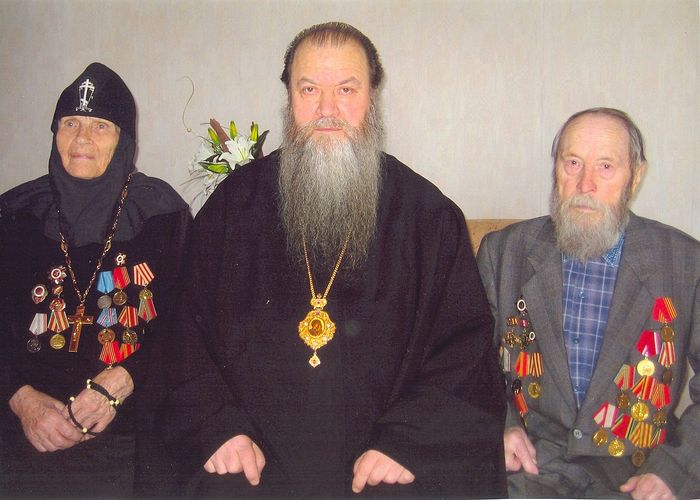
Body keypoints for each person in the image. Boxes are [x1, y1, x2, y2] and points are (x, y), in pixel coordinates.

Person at [161, 22, 506, 497]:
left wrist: (405, 442)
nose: (327, 110)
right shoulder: (232, 208)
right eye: (309, 90)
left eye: (346, 89)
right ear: (289, 98)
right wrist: (219, 426)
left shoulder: (427, 217)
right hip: (252, 457)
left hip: (382, 460)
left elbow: (464, 350)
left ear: (371, 97)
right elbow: (185, 333)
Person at [477, 107, 700, 499]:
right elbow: (467, 357)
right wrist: (502, 423)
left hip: (639, 469)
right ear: (556, 169)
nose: (586, 184)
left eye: (606, 167)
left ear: (636, 176)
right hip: (530, 464)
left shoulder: (684, 262)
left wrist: (674, 469)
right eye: (573, 162)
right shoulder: (504, 251)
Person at [0, 62, 191, 496]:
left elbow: (186, 325)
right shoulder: (15, 213)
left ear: (124, 140)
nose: (82, 138)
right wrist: (21, 399)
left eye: (100, 126)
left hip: (132, 427)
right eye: (70, 123)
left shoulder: (161, 214)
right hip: (24, 427)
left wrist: (122, 379)